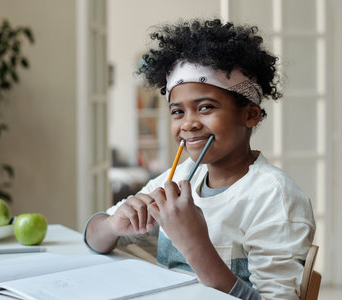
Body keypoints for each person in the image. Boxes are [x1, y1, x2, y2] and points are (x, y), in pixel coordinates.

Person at [84, 18, 315, 300]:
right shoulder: (182, 175)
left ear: (250, 114)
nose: (188, 124)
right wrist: (112, 225)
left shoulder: (274, 197)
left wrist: (193, 244)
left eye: (205, 107)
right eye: (177, 112)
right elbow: (94, 237)